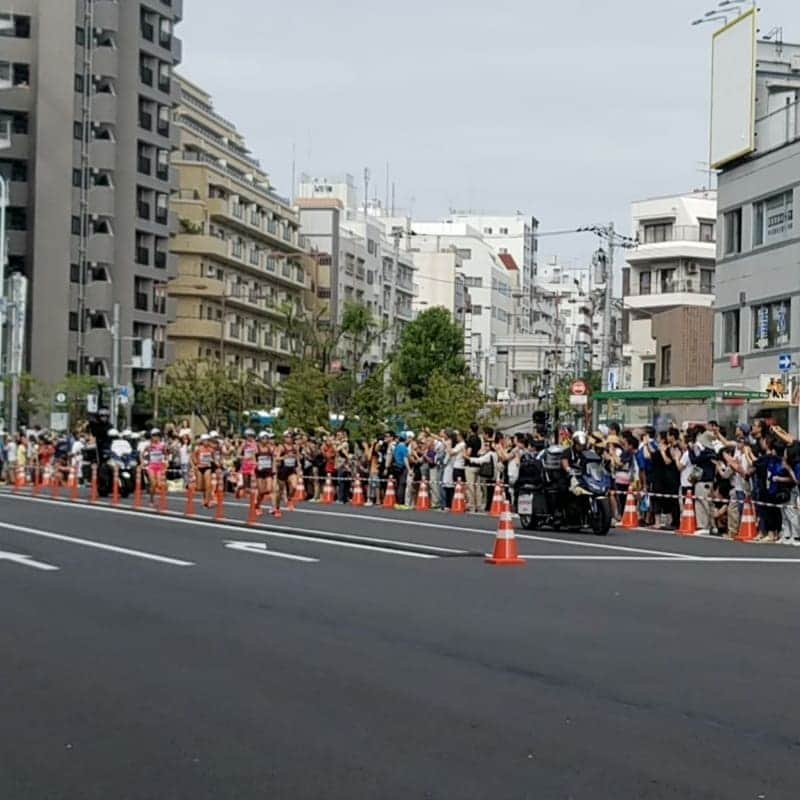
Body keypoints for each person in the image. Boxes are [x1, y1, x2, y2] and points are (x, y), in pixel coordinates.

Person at [143, 428, 167, 504]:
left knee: (159, 484)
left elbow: (165, 454)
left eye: (157, 436)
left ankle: (155, 497)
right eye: (154, 436)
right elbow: (142, 454)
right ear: (151, 437)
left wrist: (166, 460)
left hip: (159, 467)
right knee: (153, 483)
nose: (155, 437)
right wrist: (143, 462)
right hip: (151, 467)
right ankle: (151, 499)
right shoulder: (149, 446)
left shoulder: (162, 445)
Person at [464, 422, 484, 513]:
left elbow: (468, 452)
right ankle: (479, 504)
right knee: (477, 485)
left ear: (470, 429)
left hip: (470, 464)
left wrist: (464, 455)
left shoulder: (470, 440)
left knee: (470, 485)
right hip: (478, 463)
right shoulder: (479, 439)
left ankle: (471, 504)